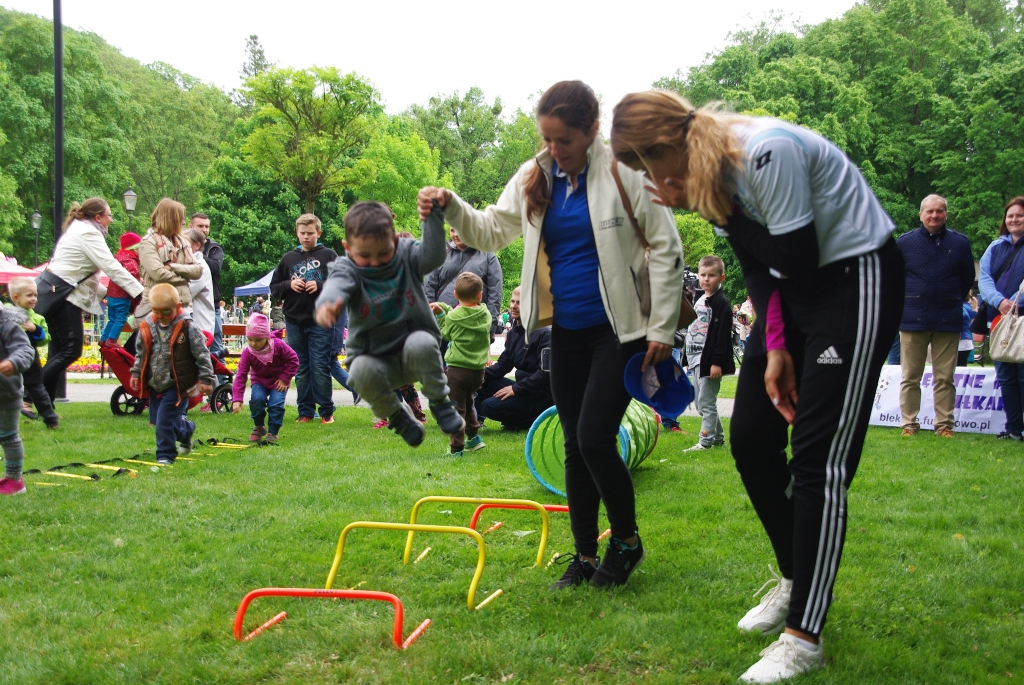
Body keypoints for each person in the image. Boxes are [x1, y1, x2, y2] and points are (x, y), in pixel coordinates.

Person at [610, 91, 903, 682]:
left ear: (666, 148)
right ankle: (797, 578)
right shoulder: (713, 181)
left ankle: (805, 634)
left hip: (854, 281)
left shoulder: (765, 153)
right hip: (798, 297)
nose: (651, 184)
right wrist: (773, 348)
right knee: (749, 438)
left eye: (647, 169)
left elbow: (793, 254)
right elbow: (764, 275)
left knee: (819, 462)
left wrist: (702, 203)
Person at [418, 81, 684, 589]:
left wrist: (663, 328)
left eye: (563, 141)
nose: (554, 151)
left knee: (593, 438)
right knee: (573, 443)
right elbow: (491, 230)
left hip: (619, 330)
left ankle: (626, 542)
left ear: (591, 131)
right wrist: (451, 204)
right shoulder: (535, 175)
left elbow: (667, 250)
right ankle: (585, 555)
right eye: (547, 139)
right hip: (565, 330)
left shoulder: (626, 172)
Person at [314, 201, 466, 445]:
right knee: (359, 372)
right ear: (348, 248)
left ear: (395, 241)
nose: (375, 263)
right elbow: (336, 284)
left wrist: (433, 218)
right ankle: (397, 416)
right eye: (365, 256)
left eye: (384, 253)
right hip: (373, 358)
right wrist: (329, 303)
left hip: (412, 350)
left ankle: (439, 402)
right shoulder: (347, 267)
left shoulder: (406, 253)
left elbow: (434, 255)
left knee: (422, 342)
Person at [42, 198, 144, 401]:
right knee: (71, 350)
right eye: (109, 215)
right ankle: (29, 393)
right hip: (65, 297)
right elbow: (111, 267)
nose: (111, 220)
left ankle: (45, 405)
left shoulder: (78, 229)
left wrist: (107, 294)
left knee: (58, 350)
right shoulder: (88, 232)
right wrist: (141, 292)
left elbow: (82, 273)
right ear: (98, 217)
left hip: (57, 293)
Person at [896, 194, 974, 439]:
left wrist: (950, 299)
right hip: (912, 319)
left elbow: (966, 280)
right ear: (920, 214)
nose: (934, 215)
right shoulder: (905, 242)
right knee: (910, 376)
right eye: (929, 211)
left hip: (947, 319)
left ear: (946, 214)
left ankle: (944, 426)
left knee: (944, 377)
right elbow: (895, 279)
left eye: (939, 211)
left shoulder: (960, 243)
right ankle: (909, 423)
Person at [129, 284, 214, 465]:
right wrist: (136, 372)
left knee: (163, 421)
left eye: (166, 312)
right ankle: (186, 430)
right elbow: (141, 352)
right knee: (158, 419)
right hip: (154, 382)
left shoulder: (188, 327)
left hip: (177, 384)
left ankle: (165, 455)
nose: (161, 317)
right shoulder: (149, 325)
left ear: (178, 306)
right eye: (156, 312)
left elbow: (202, 354)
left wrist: (206, 378)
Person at [270, 214, 338, 424]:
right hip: (294, 321)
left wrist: (319, 286)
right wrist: (289, 285)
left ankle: (327, 411)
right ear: (296, 233)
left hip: (321, 320)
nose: (306, 237)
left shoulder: (329, 255)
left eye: (310, 233)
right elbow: (274, 288)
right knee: (301, 367)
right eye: (302, 233)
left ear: (319, 233)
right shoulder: (288, 258)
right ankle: (306, 411)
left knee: (319, 366)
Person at [475, 286, 553, 431]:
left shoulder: (544, 334)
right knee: (480, 381)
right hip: (524, 389)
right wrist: (476, 375)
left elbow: (546, 373)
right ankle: (475, 421)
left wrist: (516, 388)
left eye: (519, 302)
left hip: (542, 394)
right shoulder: (514, 334)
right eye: (512, 301)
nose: (513, 306)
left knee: (489, 406)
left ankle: (531, 421)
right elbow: (504, 365)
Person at [978, 196, 1024, 440]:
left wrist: (1015, 301)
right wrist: (999, 302)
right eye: (1010, 215)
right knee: (1006, 377)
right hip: (999, 319)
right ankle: (1014, 428)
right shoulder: (995, 246)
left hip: (1022, 318)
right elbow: (984, 279)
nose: (1014, 219)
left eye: (1019, 215)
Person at [431, 272, 492, 456]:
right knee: (468, 401)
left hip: (458, 370)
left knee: (456, 409)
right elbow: (461, 315)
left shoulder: (453, 317)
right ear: (480, 295)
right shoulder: (485, 314)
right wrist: (444, 308)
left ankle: (456, 448)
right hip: (477, 371)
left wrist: (441, 313)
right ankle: (473, 438)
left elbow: (447, 332)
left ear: (455, 294)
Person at [683, 255, 735, 452]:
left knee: (706, 401)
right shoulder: (699, 299)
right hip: (696, 359)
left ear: (721, 278)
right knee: (700, 402)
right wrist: (686, 358)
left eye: (711, 275)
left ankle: (705, 442)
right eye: (702, 275)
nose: (706, 279)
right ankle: (718, 438)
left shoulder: (721, 303)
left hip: (709, 362)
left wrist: (717, 363)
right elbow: (691, 330)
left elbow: (722, 337)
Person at [231, 313, 299, 444]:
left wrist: (285, 378)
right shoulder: (248, 352)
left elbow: (294, 360)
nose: (253, 343)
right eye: (250, 339)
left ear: (266, 337)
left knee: (276, 404)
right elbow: (241, 375)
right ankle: (259, 426)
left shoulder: (278, 346)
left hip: (278, 381)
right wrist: (237, 399)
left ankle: (273, 431)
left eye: (257, 340)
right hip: (259, 381)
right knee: (257, 400)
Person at [425, 226, 504, 336]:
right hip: (443, 322)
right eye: (452, 230)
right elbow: (429, 287)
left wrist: (491, 326)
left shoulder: (487, 255)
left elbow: (495, 292)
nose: (456, 234)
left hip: (475, 325)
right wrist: (429, 320)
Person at [136, 199, 203, 321]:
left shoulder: (182, 242)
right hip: (156, 310)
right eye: (181, 218)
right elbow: (158, 274)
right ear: (171, 219)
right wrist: (185, 278)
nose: (183, 222)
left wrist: (173, 267)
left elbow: (198, 270)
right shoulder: (148, 242)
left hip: (183, 307)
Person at [7, 279, 58, 429]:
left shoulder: (37, 318)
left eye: (36, 295)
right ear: (16, 298)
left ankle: (50, 419)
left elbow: (45, 340)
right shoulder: (6, 314)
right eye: (29, 295)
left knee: (37, 388)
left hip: (29, 358)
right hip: (8, 357)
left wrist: (35, 329)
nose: (34, 299)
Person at [0, 308, 34, 495]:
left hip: (5, 392)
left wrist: (12, 363)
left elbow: (24, 350)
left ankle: (14, 480)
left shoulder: (7, 325)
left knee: (7, 436)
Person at [100, 231, 142, 347]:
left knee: (112, 319)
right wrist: (139, 284)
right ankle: (112, 340)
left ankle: (104, 339)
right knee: (121, 318)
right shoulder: (130, 261)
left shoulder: (118, 258)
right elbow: (131, 277)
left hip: (111, 295)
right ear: (134, 249)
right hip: (122, 296)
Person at [190, 213, 225, 355]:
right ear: (190, 226)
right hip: (191, 307)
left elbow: (215, 267)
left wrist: (196, 253)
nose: (204, 229)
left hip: (212, 304)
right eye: (200, 226)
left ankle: (220, 378)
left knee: (216, 350)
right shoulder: (185, 247)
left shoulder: (214, 248)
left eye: (207, 226)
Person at [185, 229, 215, 337]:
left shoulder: (199, 267)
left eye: (185, 244)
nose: (180, 247)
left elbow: (184, 294)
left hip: (200, 328)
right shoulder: (190, 265)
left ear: (197, 245)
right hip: (195, 327)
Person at [959, 295, 976, 367]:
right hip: (965, 341)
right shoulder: (965, 308)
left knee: (959, 366)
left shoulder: (961, 308)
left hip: (962, 342)